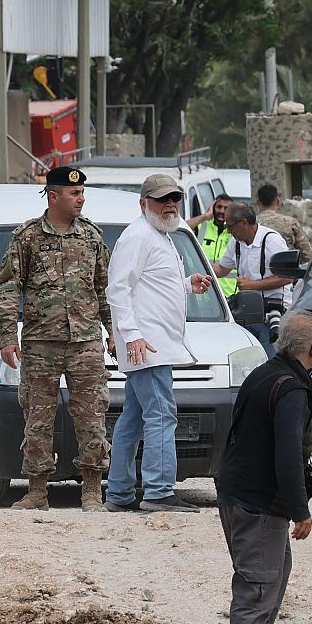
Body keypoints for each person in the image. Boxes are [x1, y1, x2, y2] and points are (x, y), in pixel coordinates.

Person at [0, 167, 113, 512]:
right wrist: (6, 335)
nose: (81, 199)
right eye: (74, 193)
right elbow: (8, 287)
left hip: (85, 342)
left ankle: (92, 490)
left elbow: (104, 289)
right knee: (38, 417)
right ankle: (36, 491)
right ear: (53, 195)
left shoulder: (91, 237)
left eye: (82, 193)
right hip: (40, 343)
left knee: (92, 417)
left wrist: (114, 333)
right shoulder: (27, 237)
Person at [215, 310, 312, 624]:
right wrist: (300, 511)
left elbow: (255, 429)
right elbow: (287, 457)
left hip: (236, 493)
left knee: (276, 570)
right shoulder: (291, 388)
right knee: (257, 588)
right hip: (257, 502)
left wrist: (299, 437)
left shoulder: (265, 373)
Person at [104, 173, 216, 513]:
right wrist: (131, 334)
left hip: (152, 343)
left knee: (133, 418)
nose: (170, 204)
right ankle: (158, 491)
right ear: (143, 203)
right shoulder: (138, 237)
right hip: (147, 345)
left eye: (174, 198)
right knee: (162, 414)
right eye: (161, 199)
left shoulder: (160, 235)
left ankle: (120, 494)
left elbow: (150, 286)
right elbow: (118, 289)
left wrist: (185, 285)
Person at [214, 204, 293, 357]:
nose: (228, 231)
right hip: (248, 313)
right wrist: (198, 267)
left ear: (243, 223)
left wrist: (253, 285)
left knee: (270, 360)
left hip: (271, 314)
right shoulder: (235, 242)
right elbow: (222, 269)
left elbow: (288, 277)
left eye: (229, 226)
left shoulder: (272, 241)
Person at [255, 185, 312, 264]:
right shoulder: (291, 223)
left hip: (257, 271)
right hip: (285, 270)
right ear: (278, 201)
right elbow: (307, 254)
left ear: (258, 202)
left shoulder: (251, 224)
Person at [199, 194, 240, 302]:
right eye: (219, 207)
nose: (222, 211)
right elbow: (178, 229)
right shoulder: (202, 226)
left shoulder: (237, 233)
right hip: (202, 294)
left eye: (226, 208)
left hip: (229, 295)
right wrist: (205, 216)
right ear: (213, 207)